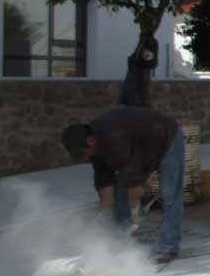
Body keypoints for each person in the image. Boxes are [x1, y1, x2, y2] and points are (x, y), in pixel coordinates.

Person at [61, 106, 185, 263]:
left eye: (84, 152)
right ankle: (120, 243)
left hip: (168, 140)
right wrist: (105, 216)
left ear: (90, 142)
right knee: (119, 197)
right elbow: (104, 181)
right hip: (142, 151)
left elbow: (134, 178)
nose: (86, 156)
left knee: (170, 196)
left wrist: (135, 210)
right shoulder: (96, 146)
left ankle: (169, 247)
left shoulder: (115, 138)